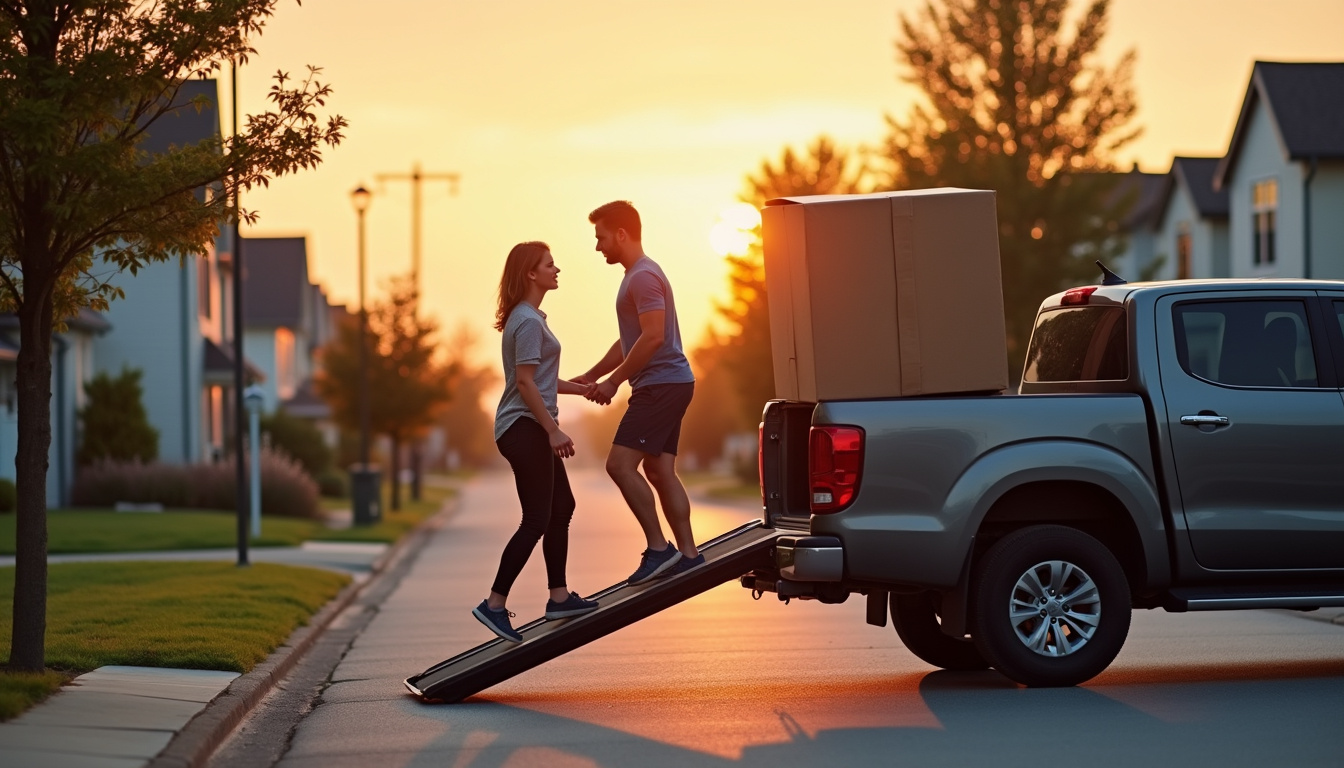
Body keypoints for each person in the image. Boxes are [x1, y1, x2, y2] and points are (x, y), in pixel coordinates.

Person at [474, 241, 599, 643]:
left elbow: (538, 380)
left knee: (561, 506)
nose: (556, 269)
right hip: (523, 427)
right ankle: (494, 604)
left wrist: (584, 389)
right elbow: (525, 384)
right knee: (537, 518)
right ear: (531, 273)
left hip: (528, 425)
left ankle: (558, 596)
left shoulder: (529, 318)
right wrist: (552, 430)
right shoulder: (527, 321)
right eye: (549, 264)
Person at [576, 201, 702, 585]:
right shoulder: (638, 275)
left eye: (600, 238)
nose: (597, 247)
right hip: (670, 382)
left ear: (620, 234)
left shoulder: (643, 277)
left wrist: (614, 382)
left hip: (661, 385)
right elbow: (630, 338)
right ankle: (689, 554)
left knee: (618, 465)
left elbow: (652, 337)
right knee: (660, 470)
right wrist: (594, 374)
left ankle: (659, 550)